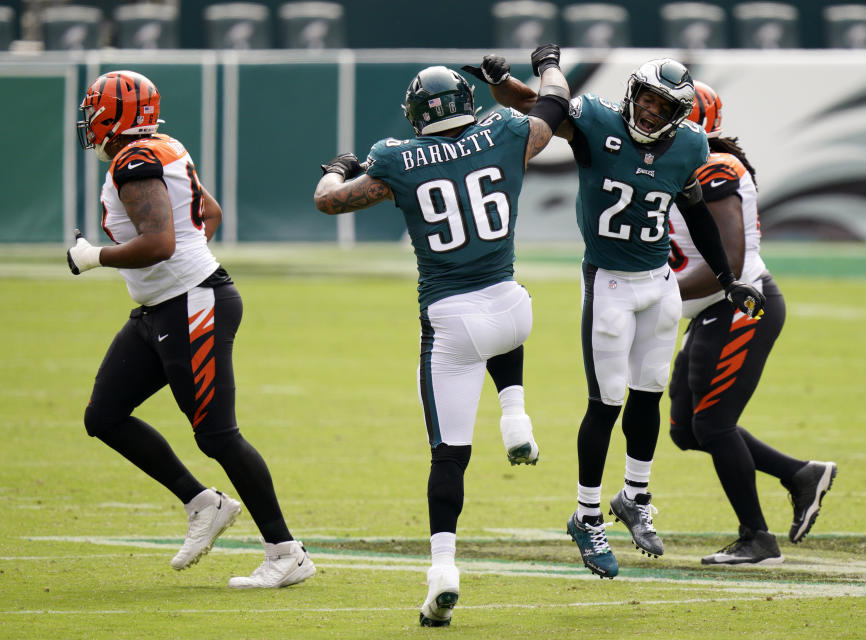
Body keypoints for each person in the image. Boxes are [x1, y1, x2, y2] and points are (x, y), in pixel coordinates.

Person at [466, 55, 765, 579]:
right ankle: (586, 515)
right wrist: (501, 81)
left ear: (679, 112)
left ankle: (635, 495)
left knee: (647, 394)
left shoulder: (692, 144)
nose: (649, 112)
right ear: (633, 94)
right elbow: (534, 105)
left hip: (660, 284)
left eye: (661, 105)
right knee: (605, 404)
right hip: (608, 283)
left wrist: (725, 279)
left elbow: (693, 207)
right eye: (645, 99)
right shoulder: (597, 121)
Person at [313, 47, 570, 626]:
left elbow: (328, 202)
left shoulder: (397, 158)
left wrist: (337, 166)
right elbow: (556, 100)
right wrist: (545, 62)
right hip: (513, 310)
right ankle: (515, 415)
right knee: (503, 323)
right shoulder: (504, 131)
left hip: (452, 321)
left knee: (449, 455)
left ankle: (443, 571)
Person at [68, 70, 315, 588]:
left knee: (216, 434)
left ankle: (286, 551)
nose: (89, 121)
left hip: (190, 304)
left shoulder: (134, 161)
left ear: (115, 112)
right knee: (105, 415)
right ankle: (205, 503)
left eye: (94, 109)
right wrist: (178, 262)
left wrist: (94, 257)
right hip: (164, 306)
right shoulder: (163, 147)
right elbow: (210, 214)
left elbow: (159, 241)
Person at [667, 80, 838, 565]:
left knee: (714, 424)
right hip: (708, 309)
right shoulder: (671, 165)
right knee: (685, 429)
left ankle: (757, 539)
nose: (651, 118)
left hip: (741, 304)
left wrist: (656, 294)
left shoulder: (714, 167)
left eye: (663, 110)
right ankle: (799, 473)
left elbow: (733, 261)